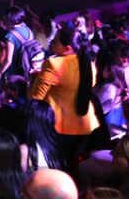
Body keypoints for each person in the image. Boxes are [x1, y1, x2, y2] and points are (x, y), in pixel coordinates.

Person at [29, 27, 99, 160]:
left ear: (67, 49)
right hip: (85, 124)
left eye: (55, 41)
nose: (50, 42)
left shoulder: (53, 64)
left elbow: (35, 98)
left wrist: (33, 81)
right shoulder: (89, 65)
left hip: (60, 128)